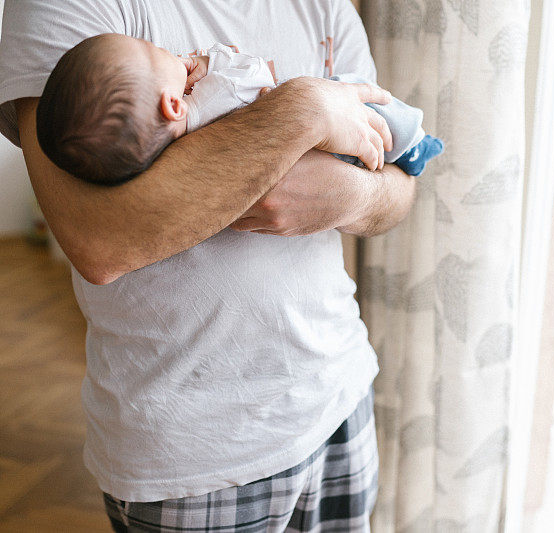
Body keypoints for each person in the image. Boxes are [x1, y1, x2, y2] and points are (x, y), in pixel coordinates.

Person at [0, 0, 416, 530]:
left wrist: (350, 196)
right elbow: (99, 239)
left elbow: (398, 188)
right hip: (196, 452)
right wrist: (303, 110)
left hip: (339, 390)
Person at [36, 34, 444, 186]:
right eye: (151, 51)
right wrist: (212, 63)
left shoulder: (167, 155)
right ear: (173, 103)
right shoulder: (213, 94)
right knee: (351, 95)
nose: (163, 49)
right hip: (324, 146)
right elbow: (260, 73)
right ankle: (414, 145)